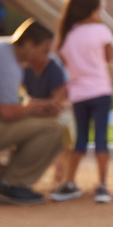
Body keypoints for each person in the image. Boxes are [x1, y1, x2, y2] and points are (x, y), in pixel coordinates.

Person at [0, 20, 69, 205]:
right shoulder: (9, 65)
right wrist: (35, 107)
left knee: (36, 125)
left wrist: (33, 107)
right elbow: (7, 112)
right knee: (55, 127)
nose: (46, 57)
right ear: (29, 44)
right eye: (44, 50)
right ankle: (13, 184)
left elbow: (7, 108)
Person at [57, 0, 113, 204]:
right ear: (93, 11)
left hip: (78, 94)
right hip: (101, 91)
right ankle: (102, 185)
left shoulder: (67, 36)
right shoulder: (101, 30)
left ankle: (70, 182)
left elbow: (63, 61)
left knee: (80, 139)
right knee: (101, 139)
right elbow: (109, 57)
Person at [17, 35, 76, 198]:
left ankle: (62, 176)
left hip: (55, 110)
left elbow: (58, 104)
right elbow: (21, 100)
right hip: (38, 109)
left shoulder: (55, 68)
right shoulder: (25, 68)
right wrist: (38, 106)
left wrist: (36, 105)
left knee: (64, 128)